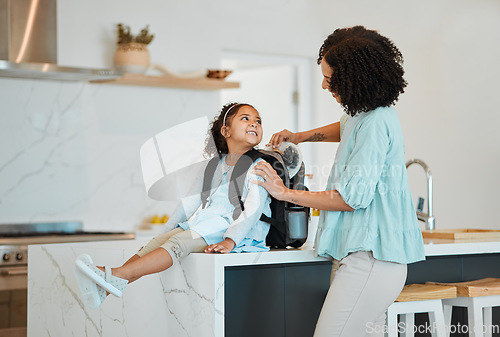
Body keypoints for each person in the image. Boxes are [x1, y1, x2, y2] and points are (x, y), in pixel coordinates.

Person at [252, 26, 425, 337]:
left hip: (372, 260)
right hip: (362, 257)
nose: (323, 84)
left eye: (330, 80)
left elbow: (349, 198)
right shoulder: (367, 113)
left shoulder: (374, 123)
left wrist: (284, 191)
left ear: (354, 80)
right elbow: (346, 126)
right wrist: (302, 136)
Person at [74, 102, 272, 309]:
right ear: (225, 131)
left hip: (231, 228)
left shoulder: (259, 165)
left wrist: (231, 240)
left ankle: (115, 275)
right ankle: (105, 287)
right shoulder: (214, 165)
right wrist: (167, 230)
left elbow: (253, 209)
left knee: (177, 244)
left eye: (258, 121)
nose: (254, 124)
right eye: (246, 118)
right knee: (159, 242)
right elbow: (190, 202)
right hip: (208, 223)